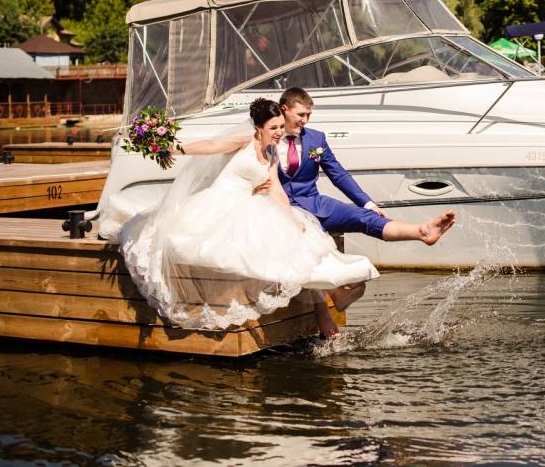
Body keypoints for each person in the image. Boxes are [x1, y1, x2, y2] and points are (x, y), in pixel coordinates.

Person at [118, 98, 380, 338]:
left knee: (298, 240)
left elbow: (275, 187)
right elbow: (210, 147)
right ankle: (329, 297)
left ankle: (335, 288)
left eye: (281, 127)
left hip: (251, 203)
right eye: (273, 128)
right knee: (233, 251)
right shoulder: (243, 141)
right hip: (219, 205)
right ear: (258, 128)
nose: (279, 132)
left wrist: (291, 218)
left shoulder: (272, 151)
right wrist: (171, 148)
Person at [268, 87, 456, 330]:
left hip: (315, 203)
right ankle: (329, 306)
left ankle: (422, 231)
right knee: (305, 244)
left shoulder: (316, 139)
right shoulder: (267, 137)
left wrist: (367, 203)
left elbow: (338, 174)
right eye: (301, 115)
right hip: (282, 210)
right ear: (284, 110)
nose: (305, 121)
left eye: (309, 115)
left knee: (365, 217)